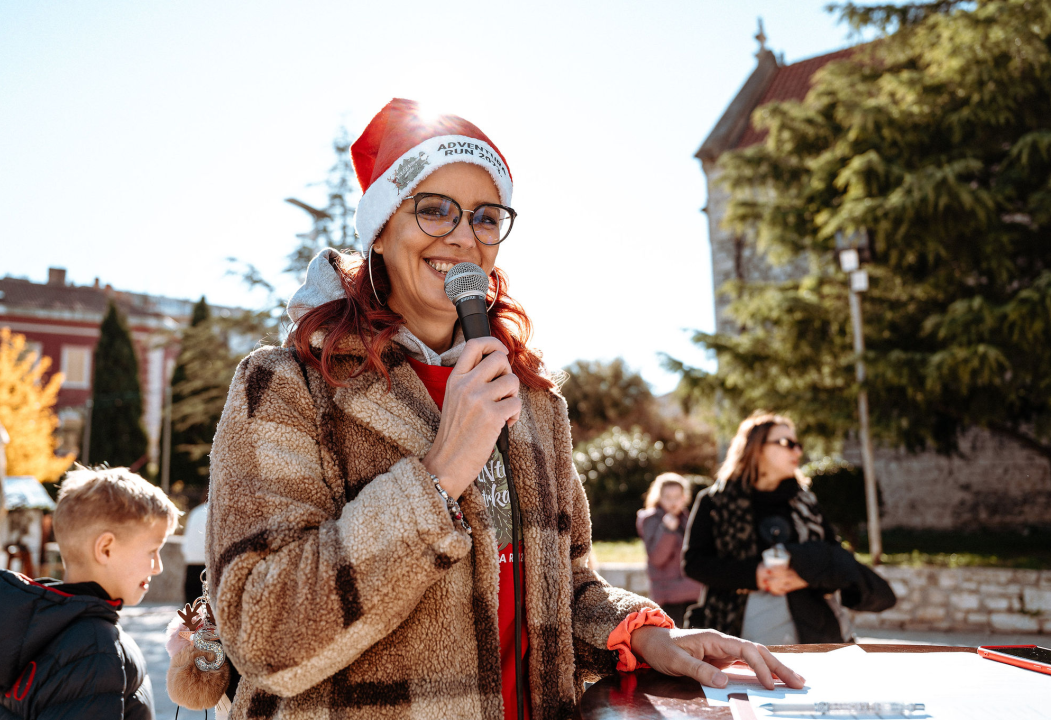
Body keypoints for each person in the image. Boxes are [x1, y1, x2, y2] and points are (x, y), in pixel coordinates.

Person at [205, 98, 803, 720]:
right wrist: (438, 476)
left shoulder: (533, 400)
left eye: (486, 217)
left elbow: (564, 589)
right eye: (433, 210)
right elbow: (261, 635)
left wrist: (650, 637)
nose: (463, 237)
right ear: (379, 231)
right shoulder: (288, 385)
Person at [0, 465, 180, 719]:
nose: (158, 567)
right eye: (152, 551)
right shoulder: (95, 647)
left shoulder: (33, 628)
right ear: (106, 549)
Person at [682, 411, 896, 645]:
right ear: (756, 448)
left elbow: (833, 556)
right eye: (787, 443)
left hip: (815, 631)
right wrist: (755, 575)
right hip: (736, 630)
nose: (797, 451)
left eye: (798, 444)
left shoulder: (804, 502)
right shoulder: (714, 502)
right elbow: (693, 563)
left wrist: (804, 576)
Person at [636, 473, 703, 628]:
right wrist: (667, 531)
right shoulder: (651, 519)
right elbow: (657, 558)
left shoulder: (688, 519)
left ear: (684, 497)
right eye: (668, 497)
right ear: (659, 497)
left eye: (677, 496)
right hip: (669, 596)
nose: (673, 502)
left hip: (693, 593)